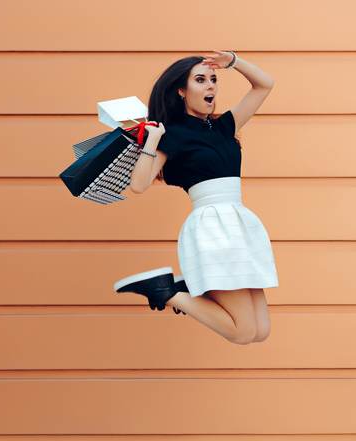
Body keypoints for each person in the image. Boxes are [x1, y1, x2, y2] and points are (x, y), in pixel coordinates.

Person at [112, 51, 279, 345]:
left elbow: (265, 84)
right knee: (242, 331)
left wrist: (233, 62)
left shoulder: (225, 126)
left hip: (239, 221)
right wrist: (152, 138)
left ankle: (182, 288)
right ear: (181, 90)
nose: (210, 86)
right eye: (200, 80)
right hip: (212, 225)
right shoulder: (172, 135)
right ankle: (170, 293)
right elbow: (138, 185)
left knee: (260, 330)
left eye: (213, 79)